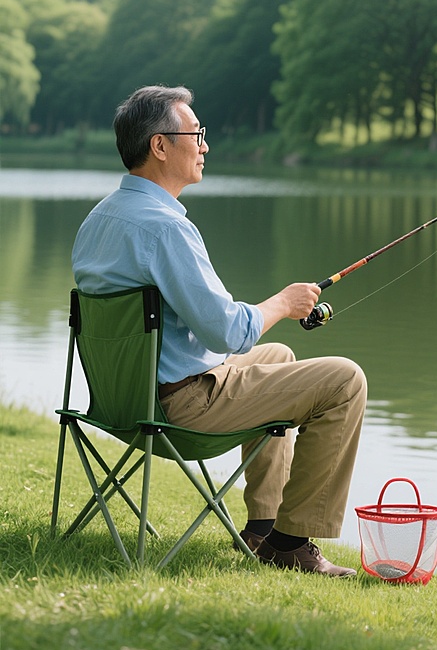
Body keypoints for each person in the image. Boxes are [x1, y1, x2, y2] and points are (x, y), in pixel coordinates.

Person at [72, 84, 367, 577]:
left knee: (276, 356)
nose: (205, 145)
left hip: (121, 402)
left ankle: (262, 529)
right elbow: (227, 333)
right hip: (179, 408)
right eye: (196, 133)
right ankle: (291, 544)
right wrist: (283, 302)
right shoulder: (166, 228)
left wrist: (264, 314)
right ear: (160, 146)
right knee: (345, 380)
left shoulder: (98, 219)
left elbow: (210, 326)